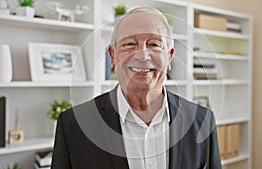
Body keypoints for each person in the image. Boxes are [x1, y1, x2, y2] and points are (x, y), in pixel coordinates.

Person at [51, 7, 222, 169]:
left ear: (169, 57)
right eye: (130, 44)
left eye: (154, 44)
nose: (142, 55)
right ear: (112, 56)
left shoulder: (202, 121)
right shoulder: (72, 125)